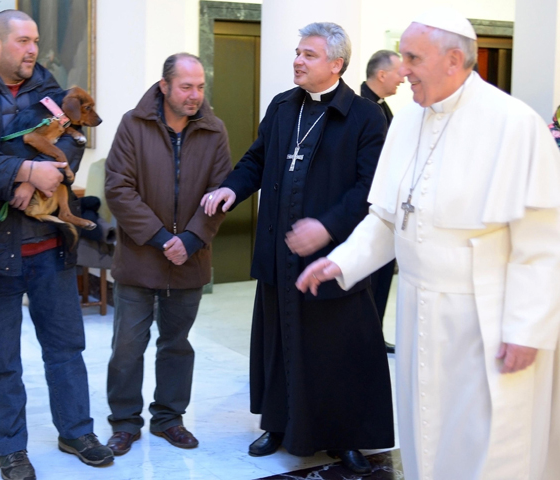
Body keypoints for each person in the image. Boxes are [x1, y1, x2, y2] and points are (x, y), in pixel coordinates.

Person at [297, 8, 560, 480]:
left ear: (454, 60)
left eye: (413, 57)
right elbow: (386, 218)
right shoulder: (406, 121)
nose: (403, 70)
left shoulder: (515, 124)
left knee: (489, 442)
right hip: (420, 309)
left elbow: (542, 242)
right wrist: (341, 262)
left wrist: (528, 327)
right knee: (426, 432)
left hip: (487, 319)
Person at [203, 23, 394, 474]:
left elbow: (370, 188)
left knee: (336, 350)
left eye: (308, 55)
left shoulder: (365, 117)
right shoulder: (283, 106)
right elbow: (257, 158)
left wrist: (326, 227)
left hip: (333, 258)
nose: (297, 61)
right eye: (297, 52)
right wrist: (233, 188)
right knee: (280, 342)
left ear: (336, 64)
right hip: (279, 252)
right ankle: (279, 423)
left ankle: (344, 435)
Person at [0, 9, 113, 478]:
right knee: (2, 360)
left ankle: (76, 430)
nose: (33, 49)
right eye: (22, 41)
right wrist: (22, 171)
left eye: (35, 40)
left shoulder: (49, 87)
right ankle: (10, 447)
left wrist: (42, 180)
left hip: (49, 247)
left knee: (66, 348)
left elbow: (73, 137)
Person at [103, 53, 232, 456]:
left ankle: (169, 418)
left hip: (190, 260)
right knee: (127, 347)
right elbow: (118, 189)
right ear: (165, 86)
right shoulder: (133, 124)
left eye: (200, 87)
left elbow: (223, 192)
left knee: (177, 345)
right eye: (186, 87)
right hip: (141, 258)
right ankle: (124, 423)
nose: (194, 95)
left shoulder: (215, 131)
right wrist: (162, 238)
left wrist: (192, 239)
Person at [361, 49, 405, 354]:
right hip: (369, 207)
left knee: (382, 277)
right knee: (369, 277)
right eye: (399, 71)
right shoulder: (363, 107)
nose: (403, 77)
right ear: (382, 74)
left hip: (387, 205)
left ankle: (374, 331)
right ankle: (365, 334)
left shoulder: (383, 107)